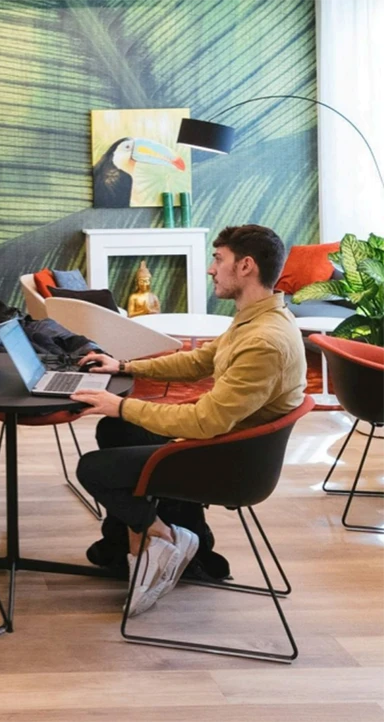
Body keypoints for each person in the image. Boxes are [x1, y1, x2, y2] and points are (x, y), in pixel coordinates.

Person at [70, 224, 306, 616]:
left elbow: (204, 422)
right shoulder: (257, 318)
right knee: (114, 428)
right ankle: (144, 534)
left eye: (219, 260)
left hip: (227, 462)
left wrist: (122, 404)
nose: (212, 269)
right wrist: (126, 366)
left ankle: (168, 537)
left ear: (246, 266)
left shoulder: (264, 341)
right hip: (225, 443)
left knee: (93, 469)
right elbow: (199, 361)